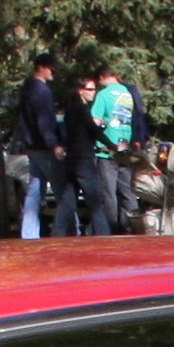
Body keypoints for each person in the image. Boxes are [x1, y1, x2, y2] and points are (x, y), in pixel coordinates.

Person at [12, 58, 67, 239]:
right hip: (44, 148)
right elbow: (45, 122)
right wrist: (54, 144)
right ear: (41, 67)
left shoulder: (26, 89)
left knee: (34, 192)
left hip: (32, 147)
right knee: (63, 192)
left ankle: (29, 234)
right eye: (52, 69)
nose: (54, 72)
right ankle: (68, 232)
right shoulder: (41, 91)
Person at [63, 70, 110, 237]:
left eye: (94, 89)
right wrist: (112, 145)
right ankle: (104, 236)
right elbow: (93, 131)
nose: (94, 93)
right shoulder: (81, 109)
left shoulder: (70, 110)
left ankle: (58, 234)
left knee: (67, 202)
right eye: (90, 89)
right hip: (83, 160)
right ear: (80, 90)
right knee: (96, 202)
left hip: (71, 160)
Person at [91, 65, 139, 231]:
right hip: (125, 147)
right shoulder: (128, 93)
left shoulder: (103, 94)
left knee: (108, 193)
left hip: (107, 150)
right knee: (127, 191)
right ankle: (131, 225)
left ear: (101, 78)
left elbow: (95, 121)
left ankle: (112, 228)